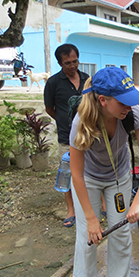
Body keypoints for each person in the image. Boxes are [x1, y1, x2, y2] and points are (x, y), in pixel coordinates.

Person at [68, 67, 139, 277]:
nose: (129, 106)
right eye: (123, 102)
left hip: (119, 177)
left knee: (121, 230)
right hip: (88, 178)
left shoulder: (133, 114)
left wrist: (138, 201)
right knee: (88, 232)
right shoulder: (81, 121)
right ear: (103, 100)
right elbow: (76, 173)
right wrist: (90, 216)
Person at [45, 44, 91, 228]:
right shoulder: (53, 83)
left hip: (89, 134)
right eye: (67, 63)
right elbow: (49, 108)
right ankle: (71, 210)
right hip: (67, 137)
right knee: (69, 173)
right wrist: (65, 122)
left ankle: (96, 205)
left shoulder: (87, 79)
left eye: (75, 61)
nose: (72, 66)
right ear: (60, 63)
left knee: (91, 171)